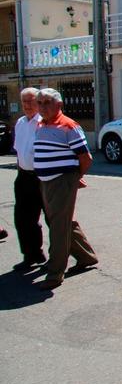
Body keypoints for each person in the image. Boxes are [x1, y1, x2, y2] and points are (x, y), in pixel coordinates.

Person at [33, 88, 98, 290]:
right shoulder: (41, 124)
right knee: (62, 221)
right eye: (40, 103)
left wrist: (74, 178)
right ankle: (87, 257)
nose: (42, 107)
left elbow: (85, 158)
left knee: (58, 227)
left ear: (58, 105)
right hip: (47, 181)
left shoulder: (69, 126)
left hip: (62, 180)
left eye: (47, 103)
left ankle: (55, 273)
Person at [12, 87, 46, 271]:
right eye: (24, 101)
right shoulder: (20, 123)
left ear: (38, 102)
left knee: (51, 218)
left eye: (30, 101)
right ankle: (30, 254)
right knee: (23, 218)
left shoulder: (44, 123)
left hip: (42, 177)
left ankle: (54, 259)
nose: (26, 105)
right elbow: (19, 151)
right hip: (24, 176)